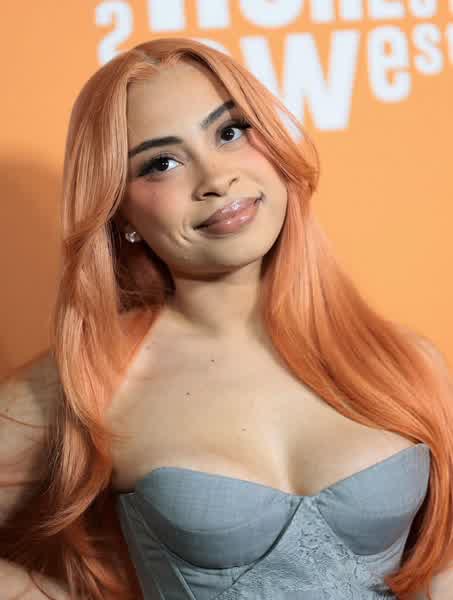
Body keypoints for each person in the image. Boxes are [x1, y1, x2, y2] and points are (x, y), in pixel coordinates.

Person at [1, 37, 453, 600]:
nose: (215, 177)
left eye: (230, 132)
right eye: (162, 163)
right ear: (121, 213)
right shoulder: (93, 377)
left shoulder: (407, 361)